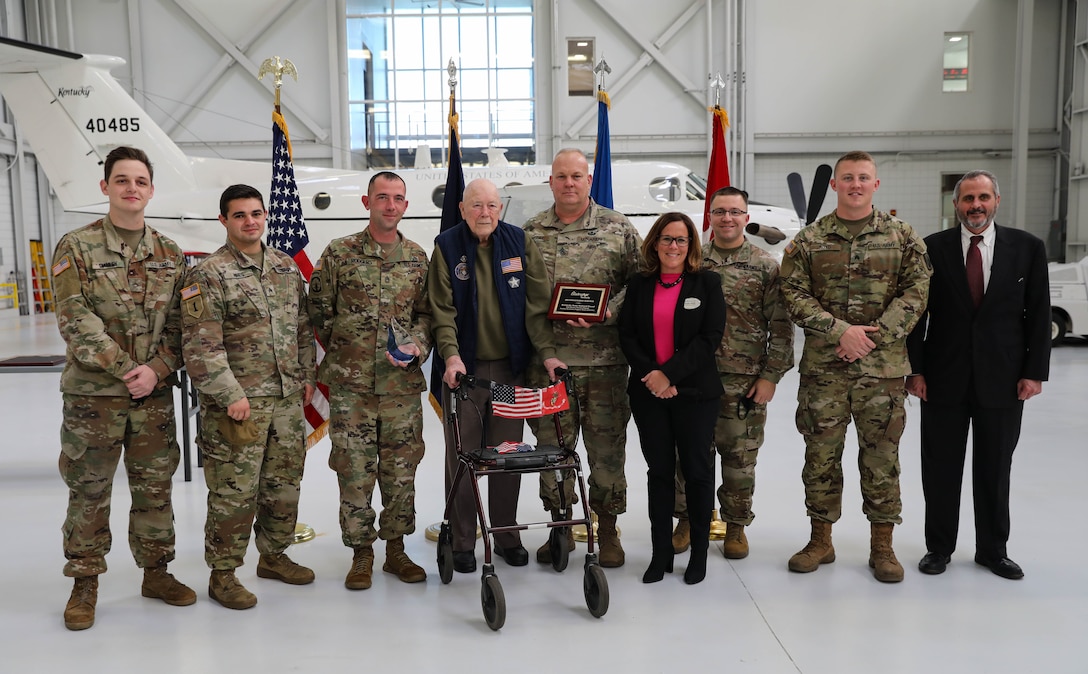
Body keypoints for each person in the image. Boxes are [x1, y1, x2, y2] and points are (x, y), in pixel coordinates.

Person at [51, 146, 195, 631]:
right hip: (94, 397)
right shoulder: (76, 246)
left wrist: (156, 369)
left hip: (151, 396)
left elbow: (182, 326)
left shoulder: (171, 253)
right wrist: (128, 368)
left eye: (140, 181)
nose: (131, 188)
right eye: (121, 180)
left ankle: (156, 572)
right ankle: (84, 582)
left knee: (155, 488)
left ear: (151, 190)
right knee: (88, 490)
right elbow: (75, 318)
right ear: (105, 187)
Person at [780, 150, 931, 583]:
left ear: (875, 184)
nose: (855, 185)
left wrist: (871, 337)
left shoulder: (902, 236)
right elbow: (793, 293)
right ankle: (820, 541)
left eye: (863, 178)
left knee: (882, 458)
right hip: (824, 372)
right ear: (835, 185)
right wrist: (838, 330)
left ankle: (882, 547)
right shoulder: (809, 240)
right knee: (820, 457)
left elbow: (917, 292)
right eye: (848, 178)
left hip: (882, 374)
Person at [906, 170, 1050, 580]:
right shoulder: (931, 249)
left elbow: (1038, 315)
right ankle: (939, 548)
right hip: (942, 379)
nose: (976, 206)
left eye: (983, 197)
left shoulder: (1027, 248)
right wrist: (914, 371)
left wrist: (1034, 372)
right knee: (940, 470)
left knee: (994, 468)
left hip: (1003, 381)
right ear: (956, 205)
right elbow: (917, 316)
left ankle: (993, 549)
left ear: (996, 201)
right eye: (968, 198)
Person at [181, 184, 316, 609]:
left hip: (286, 401)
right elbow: (201, 346)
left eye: (256, 213)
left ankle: (274, 556)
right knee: (233, 493)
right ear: (224, 220)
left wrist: (306, 375)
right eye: (240, 215)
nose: (250, 221)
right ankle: (223, 574)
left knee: (283, 485)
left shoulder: (283, 267)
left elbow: (302, 327)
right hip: (238, 407)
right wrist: (230, 394)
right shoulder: (208, 275)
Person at [428, 178, 565, 573]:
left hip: (509, 373)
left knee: (508, 456)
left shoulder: (519, 243)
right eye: (476, 205)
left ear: (499, 209)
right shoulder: (447, 246)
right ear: (462, 209)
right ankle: (464, 540)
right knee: (463, 457)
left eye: (491, 205)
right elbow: (442, 311)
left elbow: (537, 307)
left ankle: (507, 536)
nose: (484, 213)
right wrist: (451, 357)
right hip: (466, 376)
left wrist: (549, 355)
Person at [308, 171, 432, 590]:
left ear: (405, 205)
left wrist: (417, 346)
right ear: (367, 203)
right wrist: (350, 354)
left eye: (397, 198)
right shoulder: (340, 253)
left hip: (400, 390)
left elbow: (427, 316)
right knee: (354, 470)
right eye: (382, 197)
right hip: (352, 389)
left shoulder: (417, 257)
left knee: (401, 470)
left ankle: (396, 549)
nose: (390, 205)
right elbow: (320, 314)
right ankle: (361, 552)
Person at [522, 148, 641, 568]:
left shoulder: (617, 227)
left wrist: (609, 311)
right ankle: (560, 528)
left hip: (607, 363)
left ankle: (606, 530)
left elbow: (640, 282)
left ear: (588, 180)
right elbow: (520, 294)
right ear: (550, 182)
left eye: (576, 176)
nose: (569, 183)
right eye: (561, 176)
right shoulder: (531, 231)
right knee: (552, 449)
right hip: (550, 365)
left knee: (607, 450)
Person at [671, 187, 795, 559]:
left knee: (740, 459)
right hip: (693, 378)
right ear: (710, 216)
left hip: (744, 380)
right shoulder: (690, 263)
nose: (727, 218)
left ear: (746, 217)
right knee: (689, 454)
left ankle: (736, 526)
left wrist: (771, 375)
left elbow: (782, 325)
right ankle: (689, 520)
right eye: (721, 211)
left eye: (735, 212)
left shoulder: (764, 265)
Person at [619, 213, 726, 585]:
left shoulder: (707, 283)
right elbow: (628, 335)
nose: (673, 246)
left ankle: (698, 554)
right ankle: (660, 552)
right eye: (667, 239)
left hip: (695, 394)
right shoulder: (640, 284)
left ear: (691, 245)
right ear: (655, 243)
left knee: (697, 473)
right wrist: (654, 376)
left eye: (681, 240)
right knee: (659, 473)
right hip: (650, 394)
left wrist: (671, 375)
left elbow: (710, 338)